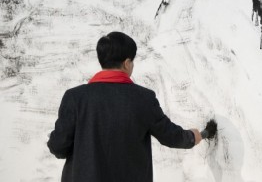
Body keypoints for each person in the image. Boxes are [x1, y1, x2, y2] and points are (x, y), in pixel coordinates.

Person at [48, 31, 203, 182]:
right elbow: (170, 135)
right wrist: (193, 136)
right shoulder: (143, 98)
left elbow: (58, 147)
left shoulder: (75, 97)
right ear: (127, 63)